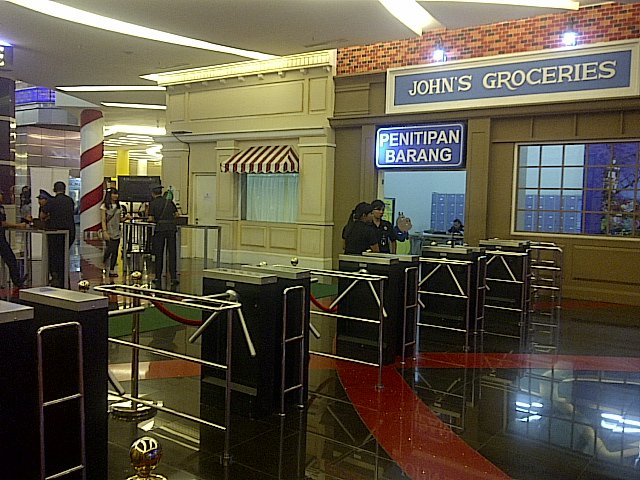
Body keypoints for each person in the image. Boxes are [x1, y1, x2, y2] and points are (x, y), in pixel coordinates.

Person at [43, 181, 75, 288]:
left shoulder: (52, 201)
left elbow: (43, 215)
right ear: (64, 189)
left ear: (54, 190)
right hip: (70, 232)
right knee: (64, 255)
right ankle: (65, 278)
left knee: (55, 256)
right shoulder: (70, 200)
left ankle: (56, 277)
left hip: (55, 233)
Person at [148, 185, 179, 288]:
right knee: (172, 253)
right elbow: (177, 215)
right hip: (171, 228)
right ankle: (173, 277)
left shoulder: (153, 203)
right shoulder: (169, 202)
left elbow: (151, 218)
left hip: (160, 229)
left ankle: (158, 276)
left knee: (159, 253)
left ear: (153, 193)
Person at [100, 188, 130, 278]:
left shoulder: (118, 206)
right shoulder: (104, 206)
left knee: (115, 251)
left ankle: (112, 269)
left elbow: (119, 219)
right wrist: (105, 231)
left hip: (117, 231)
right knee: (110, 249)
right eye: (113, 194)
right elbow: (103, 220)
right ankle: (104, 262)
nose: (115, 196)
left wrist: (126, 218)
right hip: (109, 231)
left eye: (116, 194)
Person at [0, 191, 27, 288]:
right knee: (10, 259)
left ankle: (17, 280)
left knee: (10, 259)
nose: (2, 196)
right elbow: (2, 223)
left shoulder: (1, 207)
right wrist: (18, 225)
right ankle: (17, 281)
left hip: (1, 237)